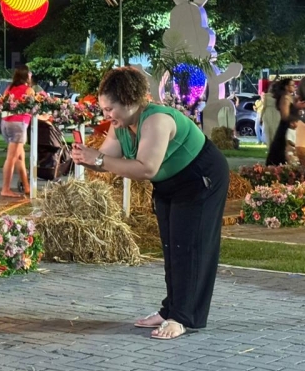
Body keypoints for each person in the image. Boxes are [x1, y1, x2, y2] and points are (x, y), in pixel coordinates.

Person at [70, 67, 229, 340]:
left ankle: (183, 318)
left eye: (110, 109)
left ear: (130, 101)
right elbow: (106, 159)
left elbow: (146, 169)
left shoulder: (156, 120)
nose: (106, 115)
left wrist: (97, 160)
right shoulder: (121, 126)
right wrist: (87, 157)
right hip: (170, 183)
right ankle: (171, 308)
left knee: (190, 245)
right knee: (171, 244)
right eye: (103, 109)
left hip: (200, 177)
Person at [0, 65, 35, 198]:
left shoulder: (9, 88)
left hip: (5, 123)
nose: (31, 75)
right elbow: (33, 107)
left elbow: (3, 103)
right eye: (29, 73)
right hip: (18, 125)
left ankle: (26, 187)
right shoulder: (29, 90)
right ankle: (5, 189)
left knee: (20, 157)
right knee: (11, 158)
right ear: (26, 76)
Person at [266, 79, 297, 166]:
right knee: (282, 149)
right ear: (286, 87)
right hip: (286, 127)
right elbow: (285, 115)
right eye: (292, 85)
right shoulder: (285, 98)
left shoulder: (291, 97)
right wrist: (295, 118)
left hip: (293, 126)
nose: (294, 87)